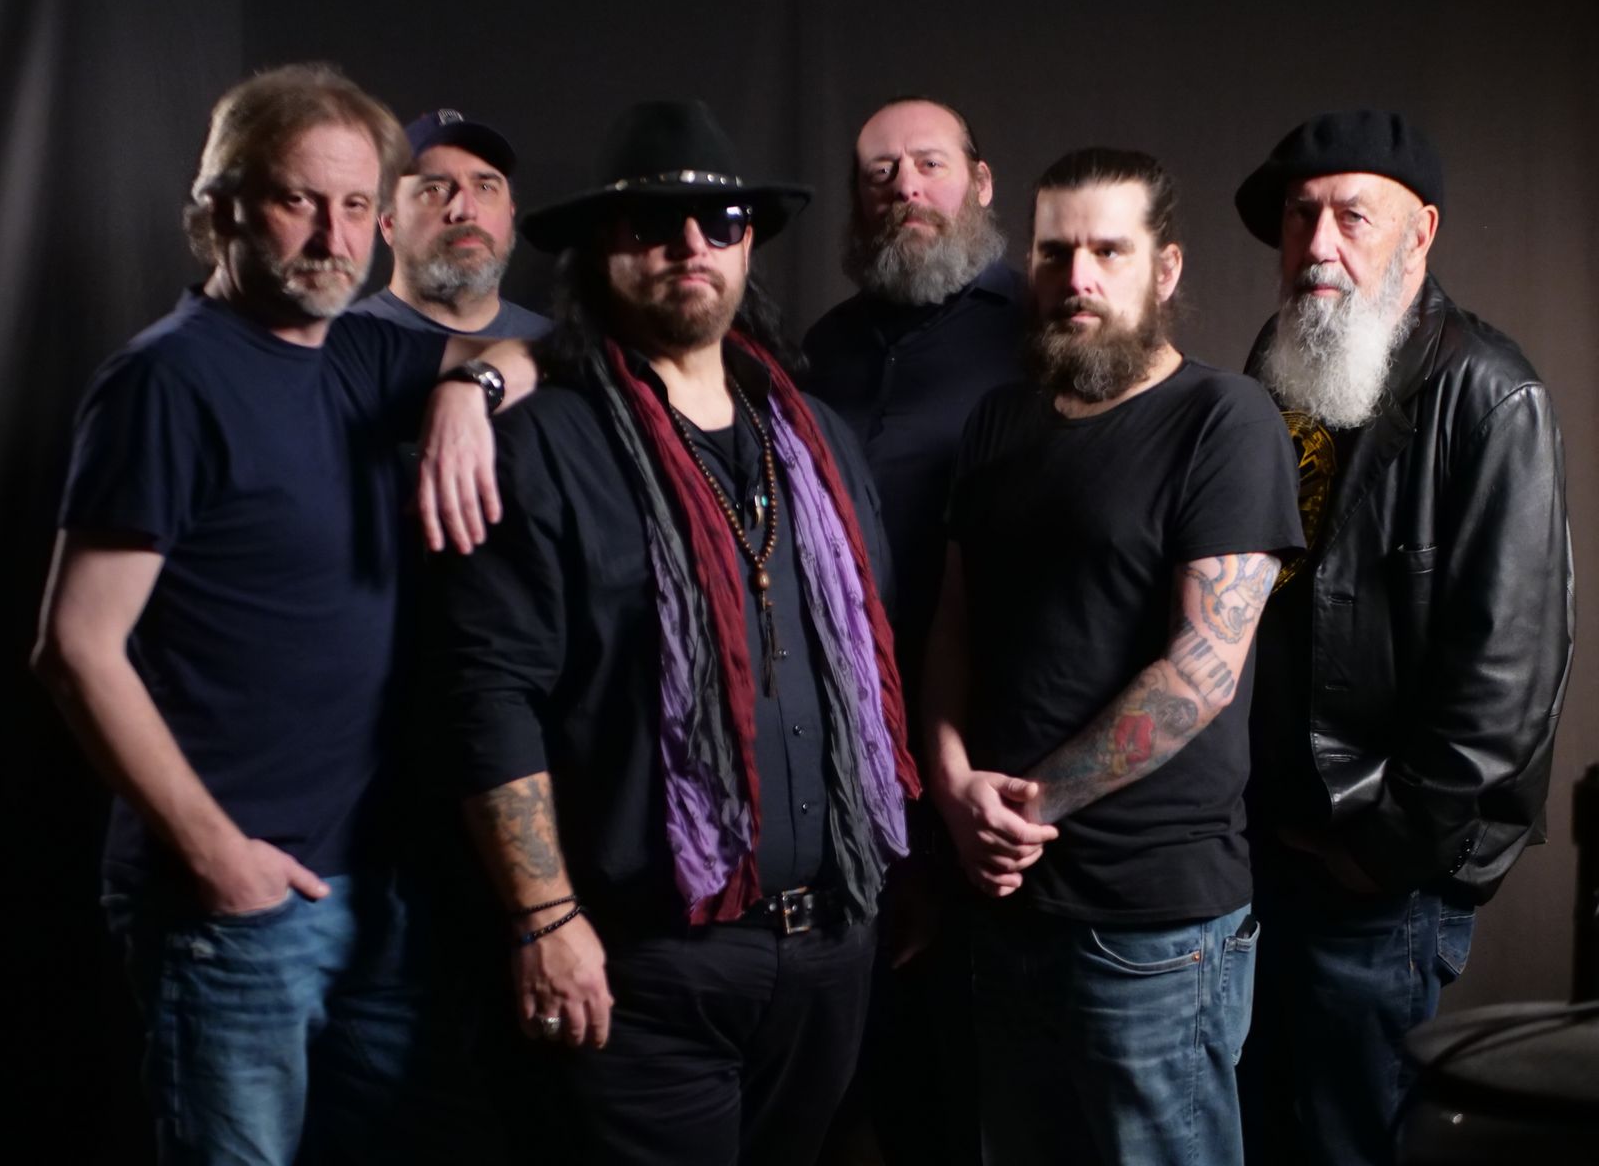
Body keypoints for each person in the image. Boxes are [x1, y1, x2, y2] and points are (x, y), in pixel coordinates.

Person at [30, 63, 534, 1165]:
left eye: (356, 205)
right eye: (298, 200)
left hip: (377, 894)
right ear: (222, 208)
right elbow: (75, 648)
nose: (332, 237)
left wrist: (470, 390)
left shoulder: (362, 351)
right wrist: (220, 860)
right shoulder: (166, 382)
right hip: (235, 907)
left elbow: (532, 350)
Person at [430, 99, 920, 1166]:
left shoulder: (818, 441)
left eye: (721, 221)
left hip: (832, 944)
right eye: (652, 223)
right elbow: (486, 696)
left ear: (748, 246)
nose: (690, 244)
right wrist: (544, 918)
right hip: (645, 964)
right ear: (600, 251)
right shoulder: (546, 445)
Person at [923, 147, 1302, 1165]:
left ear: (1164, 269)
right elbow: (952, 623)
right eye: (1055, 252)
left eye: (1108, 251)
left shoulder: (1223, 420)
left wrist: (1025, 808)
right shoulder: (997, 421)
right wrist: (953, 786)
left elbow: (1201, 672)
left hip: (1150, 930)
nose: (1077, 277)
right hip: (1005, 903)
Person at [1234, 109, 1574, 1166]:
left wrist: (1381, 853)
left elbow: (1508, 678)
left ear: (1419, 232)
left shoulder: (1491, 392)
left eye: (1352, 216)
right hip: (1259, 859)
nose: (1317, 244)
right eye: (1301, 216)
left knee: (1353, 1144)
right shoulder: (1276, 366)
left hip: (1374, 879)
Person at [802, 95, 1023, 1165]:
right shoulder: (826, 346)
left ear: (979, 183)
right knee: (862, 1081)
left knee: (978, 1088)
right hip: (848, 756)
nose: (903, 188)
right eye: (879, 172)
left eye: (927, 164)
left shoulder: (1043, 329)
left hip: (989, 755)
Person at [353, 108, 552, 338]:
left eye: (485, 187)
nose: (465, 210)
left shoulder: (558, 348)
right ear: (388, 222)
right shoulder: (337, 346)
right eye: (434, 189)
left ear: (511, 212)